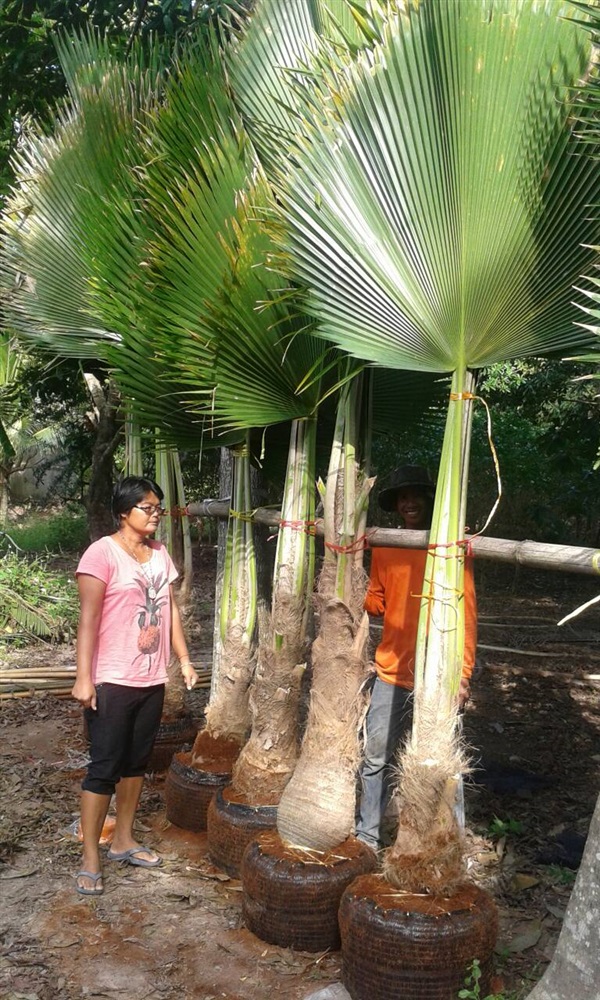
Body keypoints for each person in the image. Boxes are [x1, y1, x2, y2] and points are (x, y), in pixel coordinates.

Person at [71, 476, 199, 896]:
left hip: (151, 676)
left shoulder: (160, 554)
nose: (155, 513)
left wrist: (182, 659)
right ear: (124, 512)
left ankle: (123, 840)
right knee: (105, 766)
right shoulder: (101, 554)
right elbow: (87, 620)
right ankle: (92, 856)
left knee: (135, 764)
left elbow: (170, 611)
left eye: (158, 507)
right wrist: (83, 677)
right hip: (113, 677)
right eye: (147, 507)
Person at [355, 465, 477, 852]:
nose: (409, 503)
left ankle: (444, 846)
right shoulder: (387, 543)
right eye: (402, 497)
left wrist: (463, 674)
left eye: (415, 495)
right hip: (392, 668)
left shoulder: (451, 545)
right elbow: (376, 599)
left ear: (429, 499)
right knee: (375, 757)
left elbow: (467, 614)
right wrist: (357, 589)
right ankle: (367, 836)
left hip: (437, 674)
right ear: (395, 505)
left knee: (439, 765)